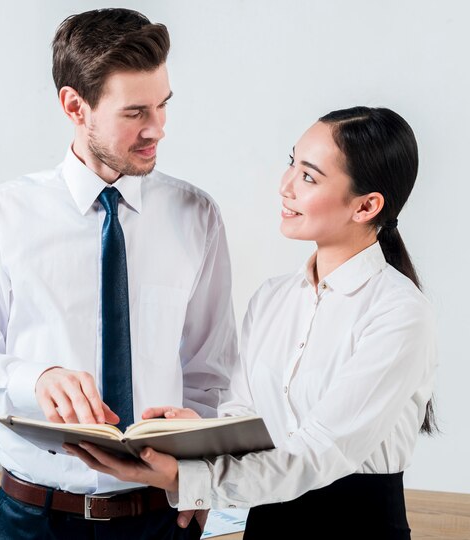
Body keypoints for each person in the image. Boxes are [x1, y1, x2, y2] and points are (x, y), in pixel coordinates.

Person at [65, 106, 438, 540]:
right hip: (265, 523)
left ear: (367, 205)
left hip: (357, 526)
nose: (286, 186)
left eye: (309, 177)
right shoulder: (273, 298)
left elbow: (321, 450)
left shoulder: (399, 313)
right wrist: (197, 433)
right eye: (291, 163)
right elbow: (245, 416)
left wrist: (188, 481)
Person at [0, 8, 237, 539]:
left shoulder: (198, 216)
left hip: (161, 521)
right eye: (135, 112)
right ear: (75, 106)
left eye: (164, 105)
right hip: (33, 519)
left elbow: (207, 373)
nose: (157, 129)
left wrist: (199, 478)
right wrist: (36, 379)